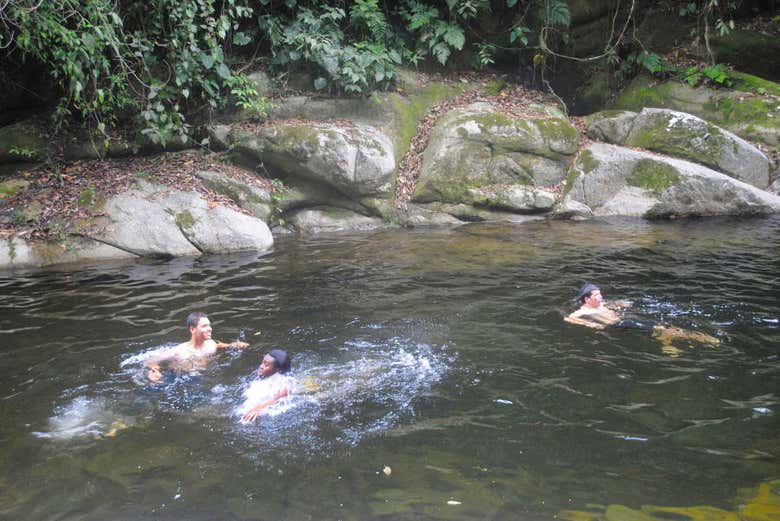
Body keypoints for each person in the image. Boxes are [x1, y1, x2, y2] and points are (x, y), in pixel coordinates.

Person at [565, 283, 720, 351]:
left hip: (626, 320)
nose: (601, 297)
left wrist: (624, 303)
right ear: (587, 299)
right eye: (597, 295)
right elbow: (569, 318)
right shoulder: (582, 311)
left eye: (600, 294)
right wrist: (590, 325)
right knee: (660, 328)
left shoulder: (602, 304)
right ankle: (701, 338)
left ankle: (667, 343)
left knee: (660, 327)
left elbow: (616, 303)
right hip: (621, 324)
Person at [144, 311, 249, 382]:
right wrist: (154, 371)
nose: (209, 329)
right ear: (192, 329)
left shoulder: (211, 344)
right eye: (204, 326)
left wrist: (232, 345)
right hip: (182, 379)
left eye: (209, 325)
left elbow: (218, 345)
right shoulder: (178, 352)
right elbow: (149, 362)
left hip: (205, 377)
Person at [238, 349, 293, 424]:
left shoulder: (285, 383)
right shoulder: (263, 376)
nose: (261, 366)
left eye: (266, 365)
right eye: (262, 362)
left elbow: (277, 399)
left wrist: (257, 409)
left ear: (277, 369)